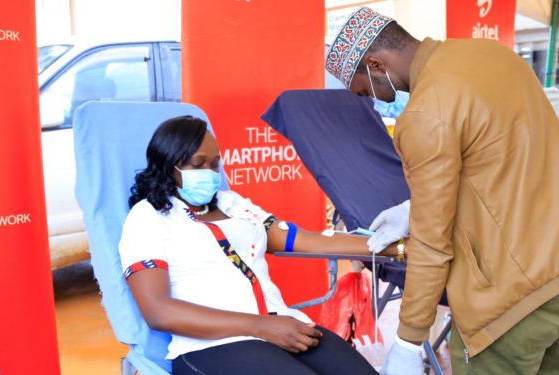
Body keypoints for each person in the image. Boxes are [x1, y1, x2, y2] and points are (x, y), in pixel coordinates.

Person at [326, 7, 559, 375]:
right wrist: (411, 208)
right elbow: (506, 162)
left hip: (522, 296)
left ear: (375, 64)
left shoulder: (422, 116)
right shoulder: (494, 56)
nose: (363, 98)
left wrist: (408, 341)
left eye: (357, 87)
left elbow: (432, 245)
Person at [119, 115, 392, 375]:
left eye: (215, 164)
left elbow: (305, 239)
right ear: (169, 166)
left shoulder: (233, 204)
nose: (210, 173)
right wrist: (261, 327)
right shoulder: (148, 217)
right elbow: (158, 311)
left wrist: (397, 246)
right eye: (197, 164)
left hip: (284, 324)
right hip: (211, 346)